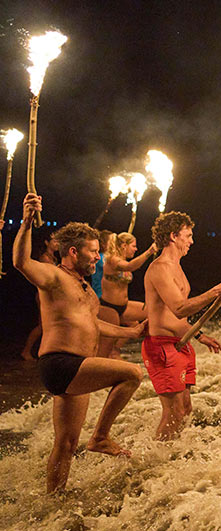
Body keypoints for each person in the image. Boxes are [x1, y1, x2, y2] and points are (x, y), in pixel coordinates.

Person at [13, 194, 146, 493]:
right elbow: (21, 262)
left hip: (76, 368)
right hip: (61, 363)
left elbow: (92, 324)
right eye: (93, 252)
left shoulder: (86, 288)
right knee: (132, 374)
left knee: (66, 444)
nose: (98, 257)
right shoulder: (54, 278)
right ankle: (100, 437)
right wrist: (25, 221)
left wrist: (131, 333)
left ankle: (53, 500)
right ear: (73, 252)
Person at [144, 211, 221, 440]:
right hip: (162, 348)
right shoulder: (160, 268)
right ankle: (154, 463)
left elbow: (176, 318)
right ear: (174, 236)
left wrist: (199, 335)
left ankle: (169, 458)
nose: (192, 241)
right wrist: (216, 291)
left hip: (181, 344)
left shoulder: (177, 267)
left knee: (185, 411)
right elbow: (179, 308)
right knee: (174, 412)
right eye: (188, 235)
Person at [96, 232, 157, 358]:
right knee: (104, 348)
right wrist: (149, 251)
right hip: (109, 308)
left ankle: (116, 349)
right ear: (124, 245)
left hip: (124, 306)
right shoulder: (112, 260)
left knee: (153, 312)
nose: (136, 249)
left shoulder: (122, 260)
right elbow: (130, 266)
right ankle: (98, 366)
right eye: (133, 246)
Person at [20, 228, 60, 361]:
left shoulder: (52, 257)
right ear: (46, 242)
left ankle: (42, 353)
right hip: (43, 295)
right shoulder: (44, 258)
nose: (57, 243)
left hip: (50, 295)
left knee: (48, 325)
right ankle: (26, 351)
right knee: (42, 325)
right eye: (54, 241)